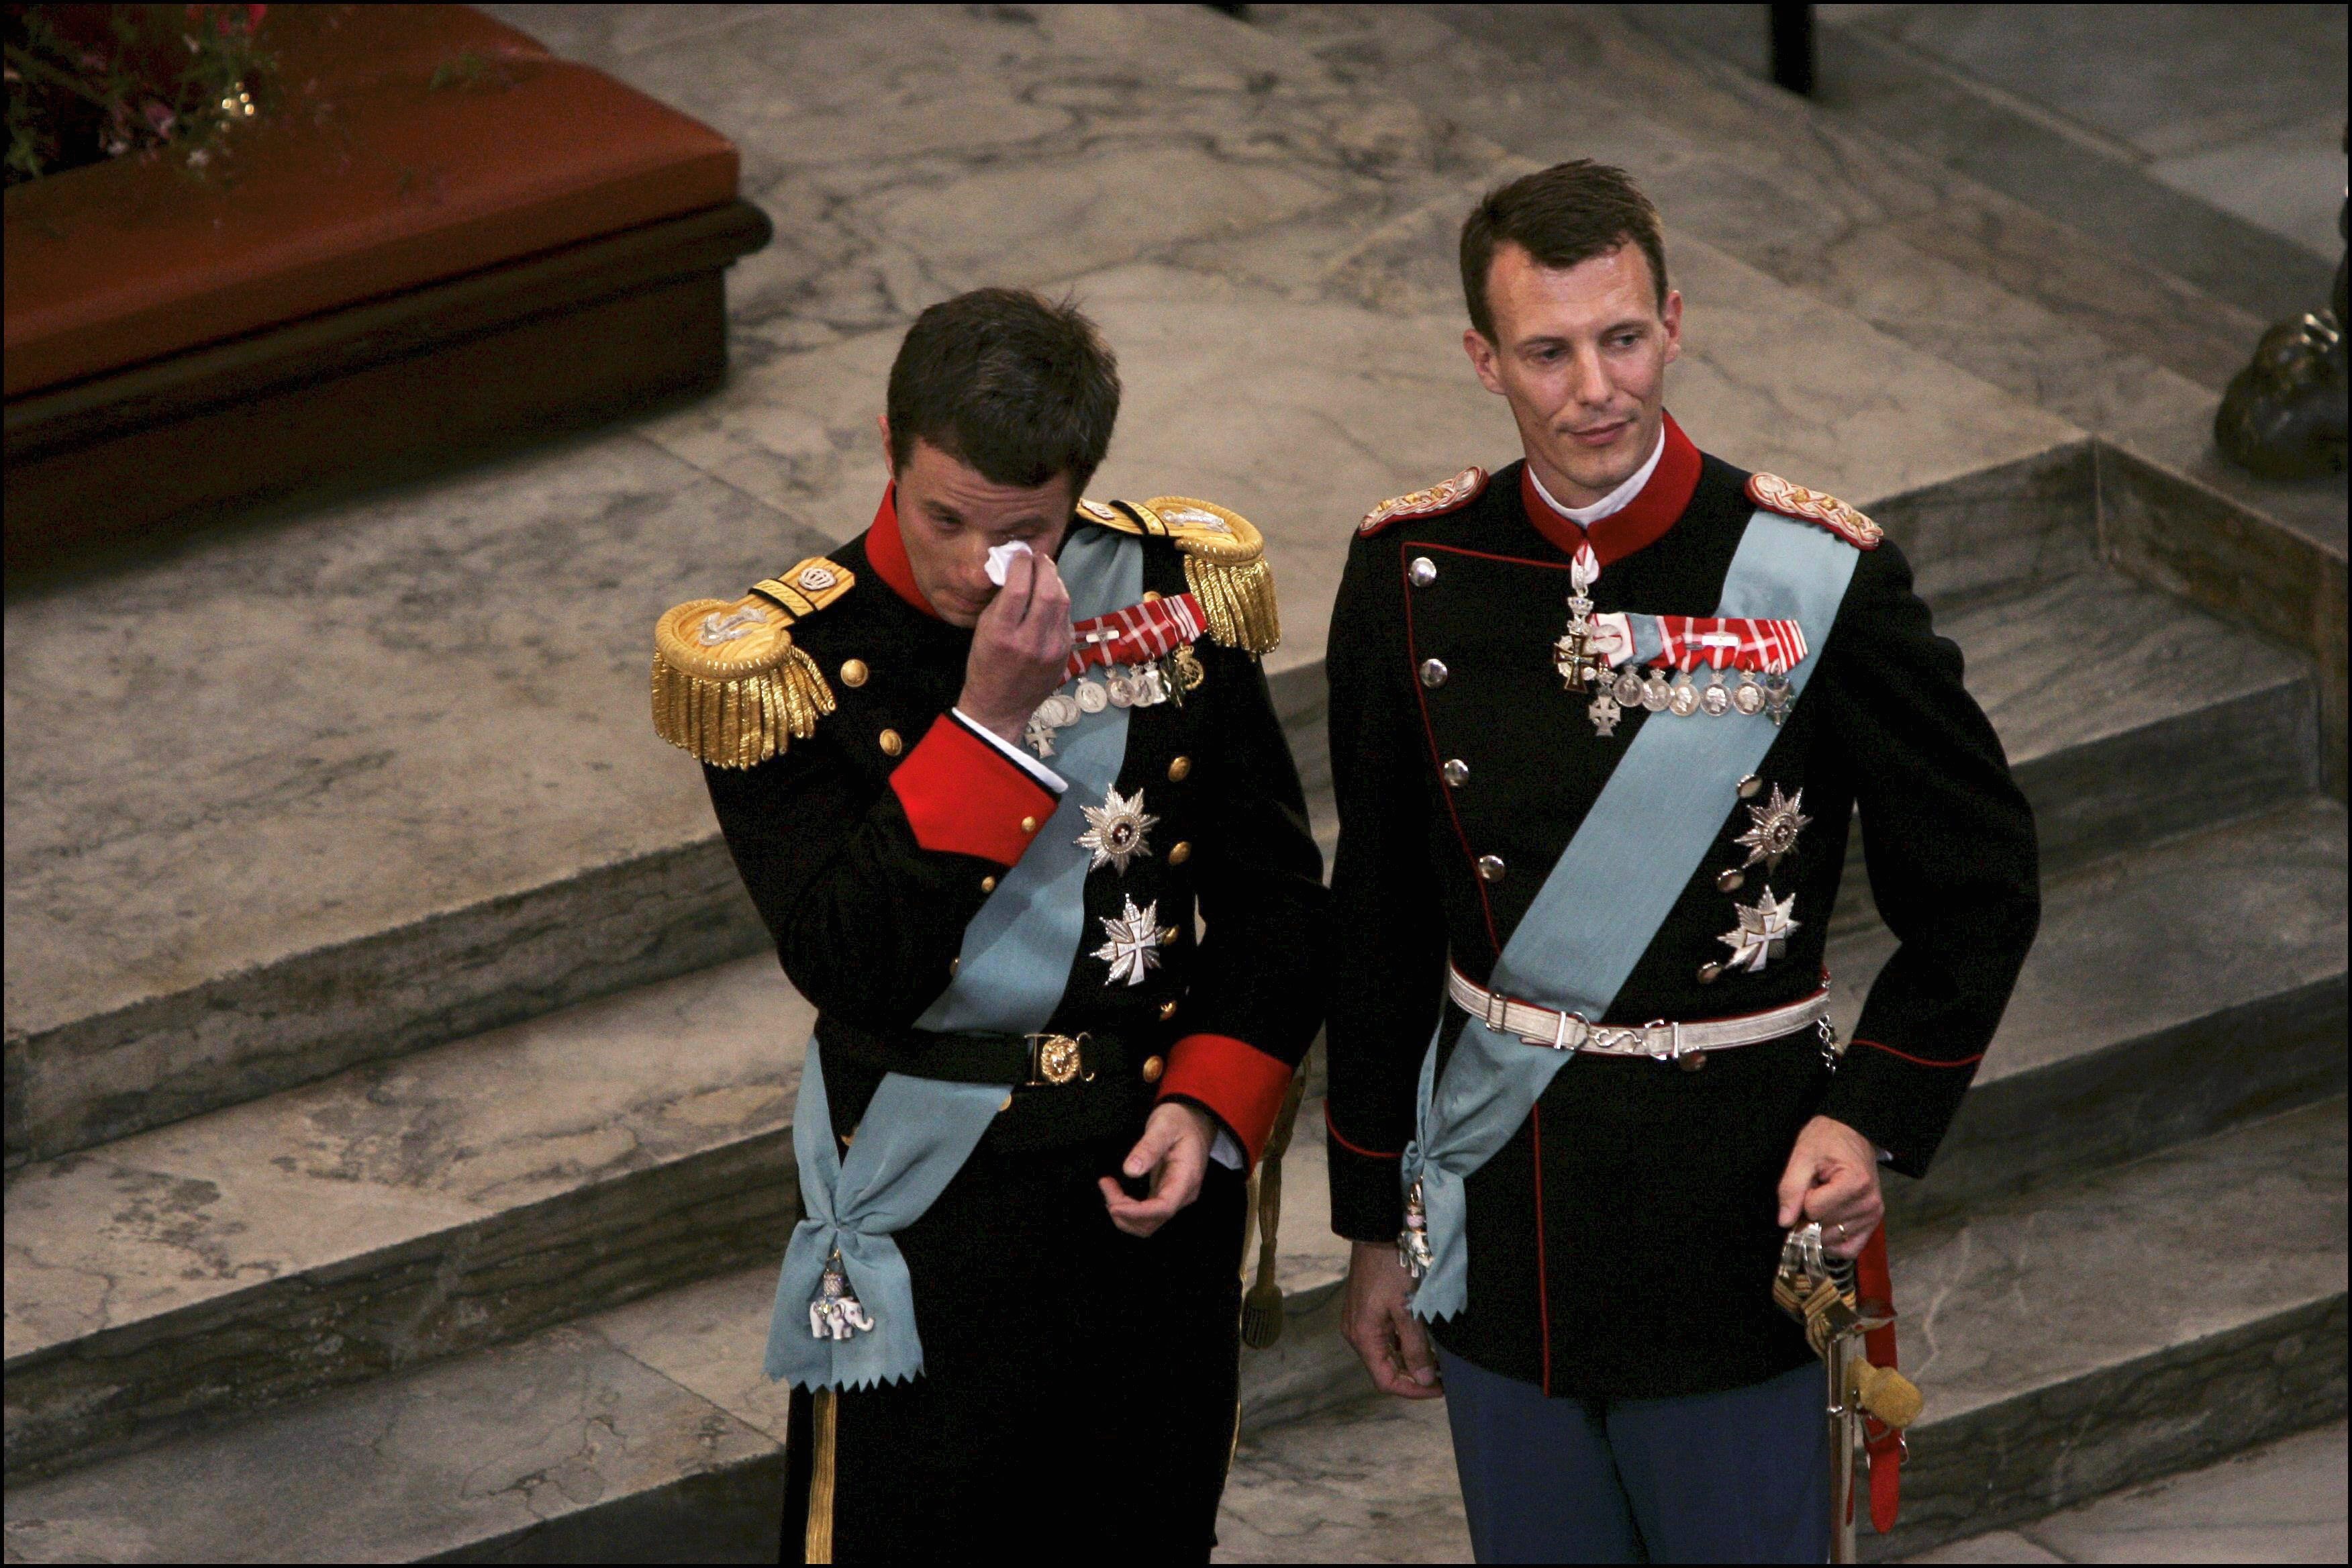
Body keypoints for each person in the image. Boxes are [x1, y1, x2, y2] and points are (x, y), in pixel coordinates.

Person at [1321, 160, 2040, 1563]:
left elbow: (1980, 879)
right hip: (1502, 1202)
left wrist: (1873, 1115)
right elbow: (1382, 917)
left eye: (1625, 337)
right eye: (1548, 350)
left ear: (1676, 321)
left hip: (1734, 1205)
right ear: (1485, 359)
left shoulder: (1816, 573)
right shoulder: (1412, 572)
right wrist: (1373, 1217)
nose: (1597, 386)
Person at [651, 288, 1328, 1563]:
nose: (975, 567)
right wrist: (986, 726)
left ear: (1078, 493)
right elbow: (855, 965)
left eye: (1022, 535)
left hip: (1147, 1176)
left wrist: (1209, 1101)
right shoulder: (787, 663)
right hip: (932, 1208)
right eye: (942, 517)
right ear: (890, 448)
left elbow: (1280, 904)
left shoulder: (1177, 594)